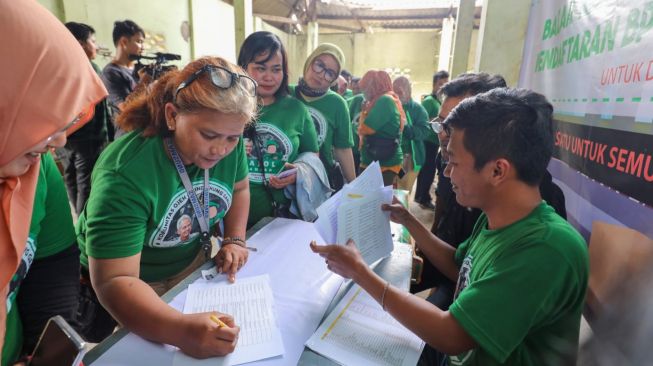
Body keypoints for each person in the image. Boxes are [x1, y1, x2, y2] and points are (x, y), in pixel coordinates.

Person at [312, 88, 589, 365]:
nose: (445, 172)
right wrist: (411, 222)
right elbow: (460, 266)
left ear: (497, 171)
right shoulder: (499, 216)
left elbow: (452, 334)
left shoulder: (546, 250)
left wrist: (361, 273)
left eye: (453, 162)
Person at [77, 56, 256, 357]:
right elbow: (115, 280)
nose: (221, 149)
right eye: (209, 135)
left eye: (232, 138)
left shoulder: (228, 143)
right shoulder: (126, 173)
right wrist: (182, 331)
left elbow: (240, 188)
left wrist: (235, 238)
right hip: (138, 281)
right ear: (172, 116)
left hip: (190, 261)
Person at [0, 0, 107, 362]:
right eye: (43, 114)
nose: (59, 141)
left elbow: (52, 259)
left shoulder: (32, 167)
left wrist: (41, 348)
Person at [237, 31, 319, 228]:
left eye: (276, 69)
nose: (269, 77)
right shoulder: (229, 108)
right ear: (243, 67)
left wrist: (300, 171)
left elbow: (312, 154)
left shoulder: (296, 109)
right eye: (260, 68)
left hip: (285, 217)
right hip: (235, 220)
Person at [63, 22, 113, 215]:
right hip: (90, 137)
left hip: (65, 136)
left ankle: (77, 215)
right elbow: (102, 106)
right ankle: (85, 221)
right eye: (93, 41)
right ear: (80, 44)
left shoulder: (61, 66)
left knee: (71, 176)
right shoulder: (90, 67)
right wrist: (109, 136)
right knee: (87, 181)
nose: (96, 46)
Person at [290, 44, 356, 190]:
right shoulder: (286, 94)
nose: (321, 74)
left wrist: (354, 186)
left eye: (330, 73)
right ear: (309, 61)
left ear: (334, 79)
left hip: (320, 184)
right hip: (282, 180)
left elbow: (343, 149)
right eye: (319, 65)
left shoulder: (337, 104)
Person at [357, 70, 406, 186]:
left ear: (374, 86)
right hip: (379, 160)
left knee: (376, 201)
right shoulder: (384, 100)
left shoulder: (385, 101)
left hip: (383, 164)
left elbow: (366, 128)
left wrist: (363, 114)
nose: (364, 92)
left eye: (365, 88)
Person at [102, 19, 145, 139]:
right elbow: (126, 108)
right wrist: (144, 82)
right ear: (124, 42)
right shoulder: (110, 73)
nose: (143, 47)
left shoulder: (138, 69)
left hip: (144, 133)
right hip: (127, 136)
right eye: (139, 42)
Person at [414, 70, 449, 209]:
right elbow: (422, 121)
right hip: (428, 141)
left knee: (428, 170)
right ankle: (423, 197)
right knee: (428, 170)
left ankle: (421, 196)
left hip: (434, 141)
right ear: (434, 84)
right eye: (440, 84)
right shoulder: (429, 101)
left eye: (445, 84)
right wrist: (437, 122)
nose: (443, 87)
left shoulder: (438, 101)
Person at [393, 76, 430, 193]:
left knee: (402, 193)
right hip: (390, 157)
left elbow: (425, 132)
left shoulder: (418, 110)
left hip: (408, 159)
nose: (396, 95)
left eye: (399, 91)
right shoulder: (390, 106)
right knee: (389, 191)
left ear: (409, 91)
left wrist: (406, 127)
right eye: (394, 91)